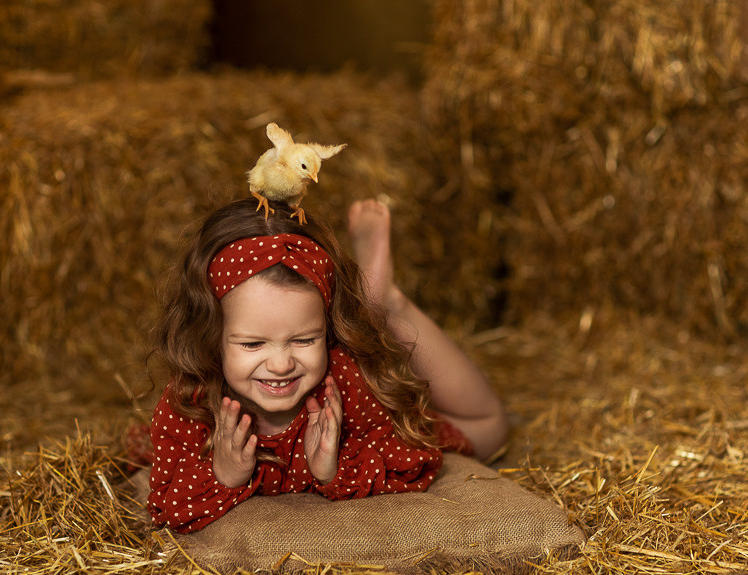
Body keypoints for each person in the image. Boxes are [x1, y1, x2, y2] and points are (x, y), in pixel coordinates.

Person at [141, 197, 508, 533]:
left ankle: (385, 303)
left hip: (404, 412)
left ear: (327, 327)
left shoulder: (342, 379)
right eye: (253, 343)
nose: (282, 364)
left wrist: (336, 469)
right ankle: (377, 304)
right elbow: (167, 506)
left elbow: (415, 460)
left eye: (304, 340)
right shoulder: (191, 400)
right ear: (211, 337)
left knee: (490, 429)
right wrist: (223, 475)